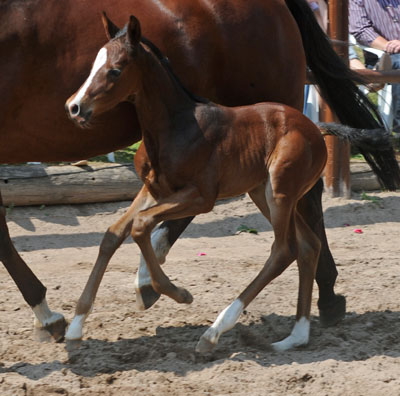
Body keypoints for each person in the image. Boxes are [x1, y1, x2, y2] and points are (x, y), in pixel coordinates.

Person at [349, 0, 400, 142]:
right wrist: (389, 46)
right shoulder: (358, 1)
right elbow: (360, 30)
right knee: (398, 62)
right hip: (383, 53)